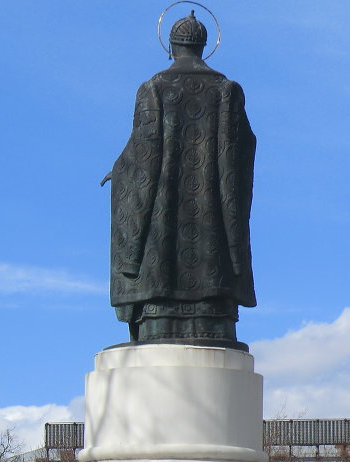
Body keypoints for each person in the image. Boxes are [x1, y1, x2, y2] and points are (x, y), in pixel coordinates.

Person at [105, 10, 256, 347]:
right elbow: (243, 148)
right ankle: (211, 316)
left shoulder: (154, 88)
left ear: (171, 46)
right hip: (214, 209)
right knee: (210, 244)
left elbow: (142, 153)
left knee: (160, 241)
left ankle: (159, 317)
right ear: (204, 47)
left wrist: (121, 172)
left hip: (163, 206)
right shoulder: (228, 90)